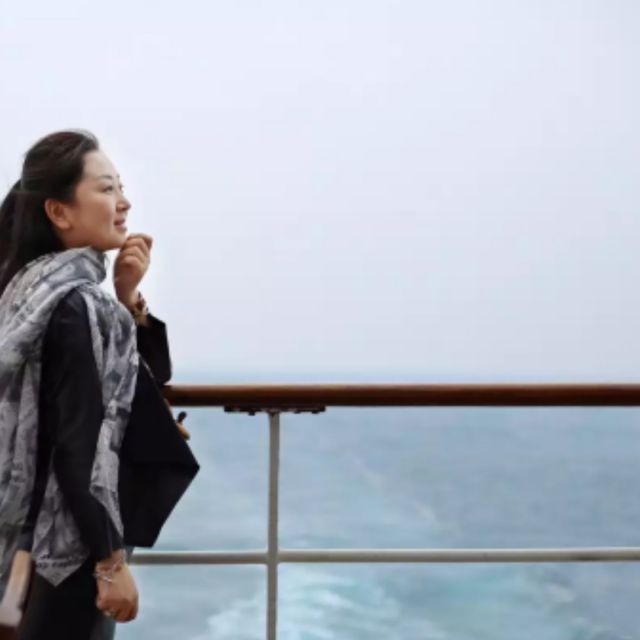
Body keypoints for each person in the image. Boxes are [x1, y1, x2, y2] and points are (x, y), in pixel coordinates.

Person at [0, 129, 200, 639]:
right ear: (59, 212)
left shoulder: (27, 291)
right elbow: (80, 444)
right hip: (70, 545)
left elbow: (130, 386)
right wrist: (110, 563)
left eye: (121, 187)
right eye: (107, 188)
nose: (124, 202)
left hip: (29, 533)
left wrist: (128, 300)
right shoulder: (79, 305)